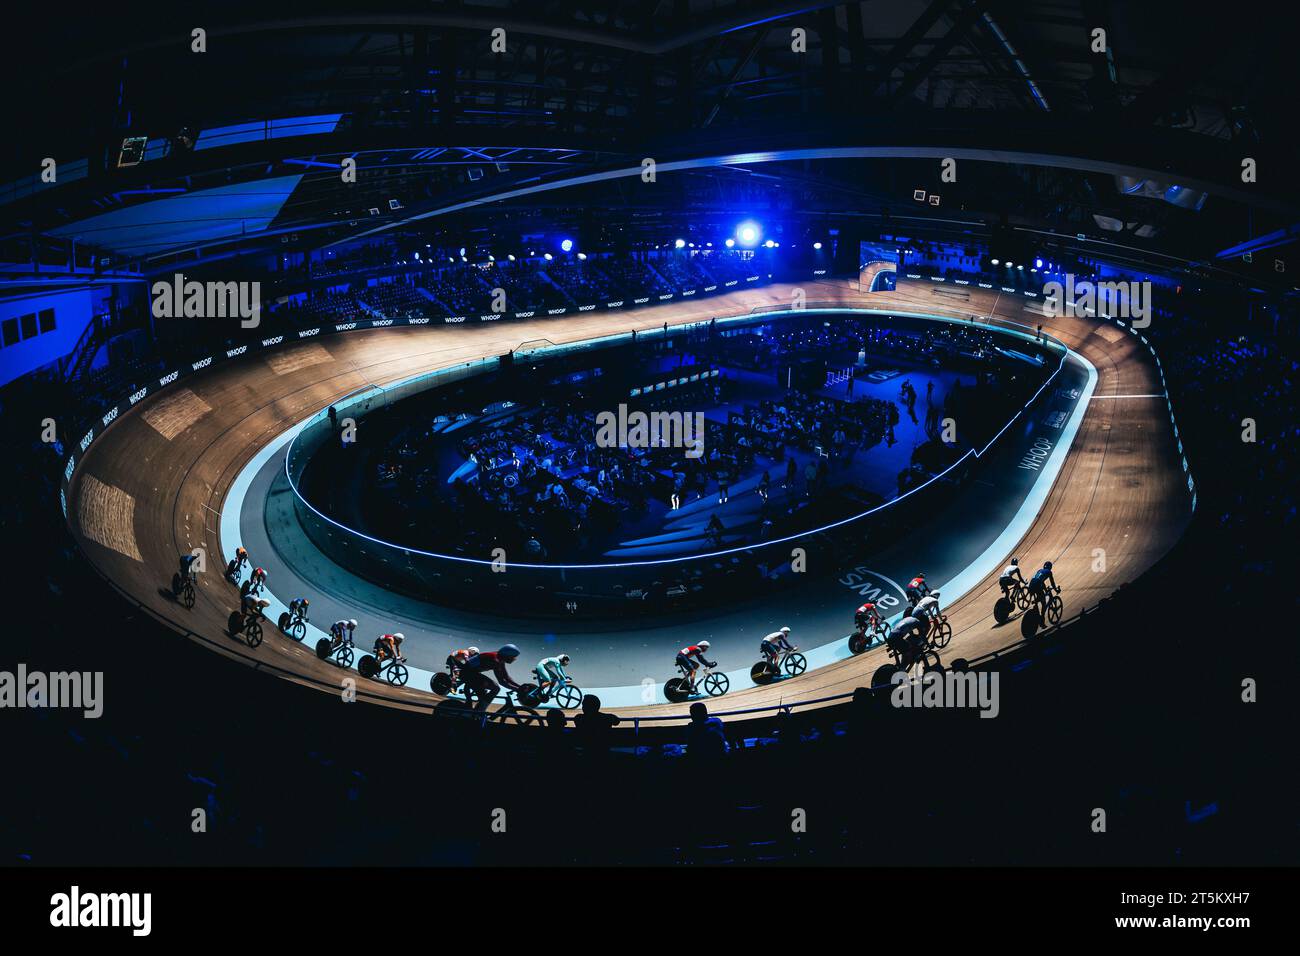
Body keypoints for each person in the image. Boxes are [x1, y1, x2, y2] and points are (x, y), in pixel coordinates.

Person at [460, 644, 524, 711]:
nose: (515, 659)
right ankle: (480, 711)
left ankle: (477, 710)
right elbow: (502, 681)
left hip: (470, 673)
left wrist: (520, 687)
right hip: (467, 674)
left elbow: (506, 677)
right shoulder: (495, 660)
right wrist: (517, 689)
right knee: (495, 688)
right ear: (507, 656)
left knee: (485, 694)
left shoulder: (500, 658)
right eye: (513, 657)